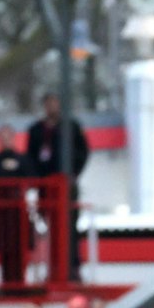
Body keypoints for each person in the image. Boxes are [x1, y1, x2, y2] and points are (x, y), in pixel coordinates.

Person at [26, 93, 89, 275]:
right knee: (48, 228)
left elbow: (83, 152)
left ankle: (72, 267)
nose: (51, 107)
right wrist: (37, 179)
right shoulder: (37, 130)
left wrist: (73, 174)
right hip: (45, 187)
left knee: (69, 227)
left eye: (54, 103)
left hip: (66, 187)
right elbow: (30, 157)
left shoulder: (71, 128)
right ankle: (52, 268)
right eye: (48, 103)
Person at [0, 124, 34, 289]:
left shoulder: (23, 160)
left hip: (18, 211)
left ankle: (20, 283)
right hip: (0, 212)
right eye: (1, 137)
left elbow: (32, 178)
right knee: (4, 249)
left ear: (13, 138)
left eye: (8, 136)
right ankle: (6, 284)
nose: (5, 140)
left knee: (20, 248)